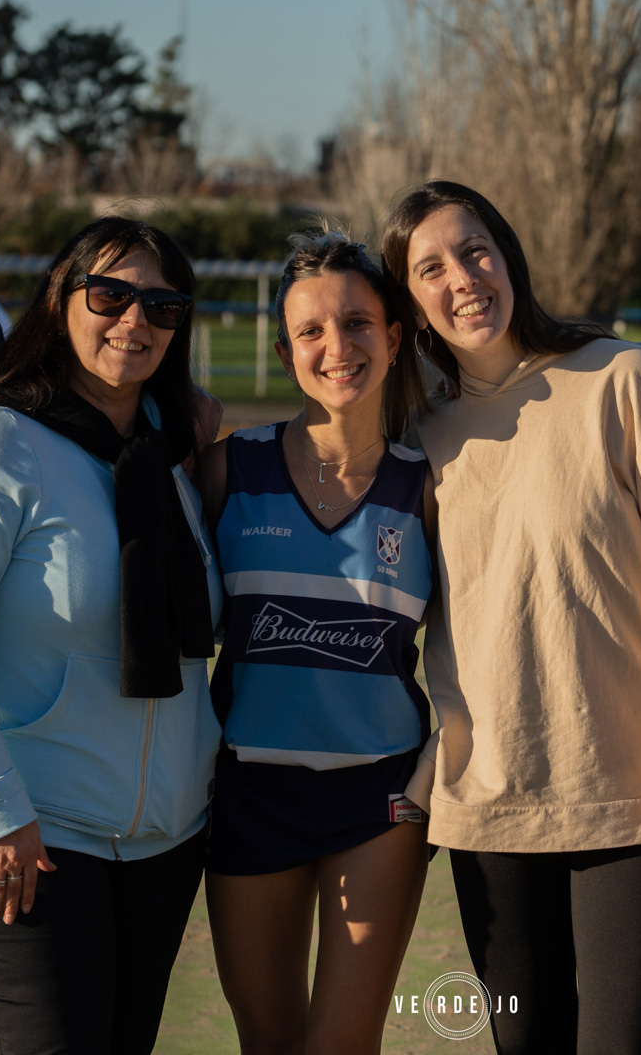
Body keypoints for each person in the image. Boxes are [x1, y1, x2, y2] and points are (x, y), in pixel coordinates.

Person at [379, 180, 641, 1055]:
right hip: (489, 806)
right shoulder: (418, 434)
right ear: (410, 302)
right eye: (430, 268)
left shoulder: (621, 379)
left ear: (509, 258)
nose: (463, 278)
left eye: (476, 251)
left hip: (630, 801)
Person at [0, 217, 222, 1053]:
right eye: (109, 295)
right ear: (59, 298)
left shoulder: (167, 459)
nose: (134, 321)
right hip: (16, 833)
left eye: (162, 305)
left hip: (158, 845)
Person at [199, 228, 433, 1055]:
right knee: (268, 1040)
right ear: (284, 349)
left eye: (359, 323)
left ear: (396, 336)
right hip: (248, 792)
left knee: (340, 1045)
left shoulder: (428, 486)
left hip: (380, 801)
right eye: (312, 331)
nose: (338, 347)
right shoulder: (229, 469)